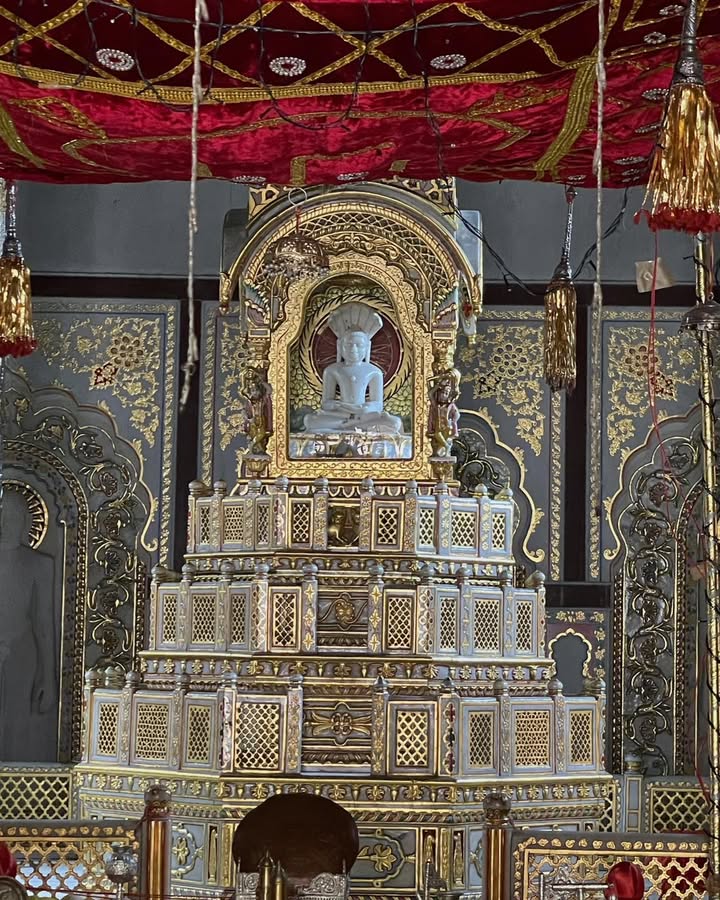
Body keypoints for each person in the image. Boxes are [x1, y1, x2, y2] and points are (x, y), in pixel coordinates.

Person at [0, 489, 57, 761]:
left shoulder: (39, 565)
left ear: (24, 520)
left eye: (11, 514)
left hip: (23, 654)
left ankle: (18, 785)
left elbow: (44, 623)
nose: (4, 521)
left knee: (17, 725)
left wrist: (49, 676)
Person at [303, 303, 402, 435]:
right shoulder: (332, 370)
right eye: (349, 344)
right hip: (340, 414)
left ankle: (349, 425)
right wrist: (340, 406)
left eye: (359, 345)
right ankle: (351, 424)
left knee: (394, 423)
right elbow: (326, 403)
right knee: (310, 420)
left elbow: (378, 405)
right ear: (340, 346)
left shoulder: (374, 372)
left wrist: (365, 408)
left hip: (364, 416)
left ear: (367, 347)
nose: (353, 349)